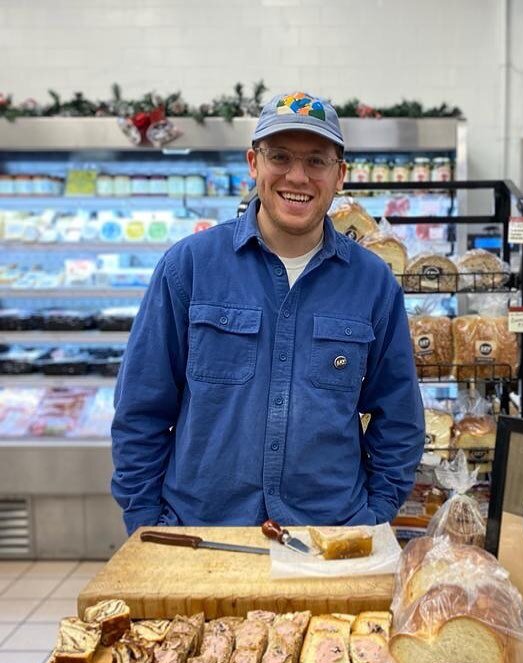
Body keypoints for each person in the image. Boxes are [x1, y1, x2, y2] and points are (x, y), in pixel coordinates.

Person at [111, 91, 425, 534]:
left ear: (340, 176)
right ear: (254, 163)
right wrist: (147, 521)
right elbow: (140, 409)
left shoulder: (373, 283)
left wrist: (373, 516)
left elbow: (399, 419)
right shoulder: (189, 267)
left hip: (329, 535)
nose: (298, 177)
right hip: (202, 533)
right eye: (280, 157)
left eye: (317, 161)